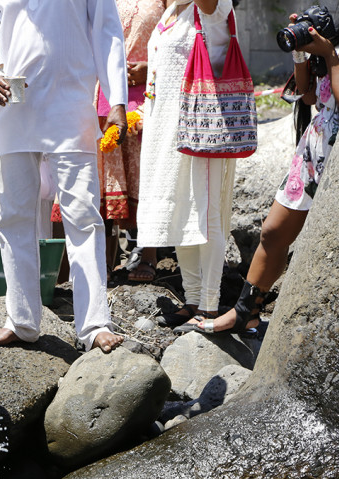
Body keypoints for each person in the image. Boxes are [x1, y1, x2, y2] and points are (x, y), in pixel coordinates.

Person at [199, 0, 339, 334]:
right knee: (273, 233)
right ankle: (246, 311)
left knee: (336, 250)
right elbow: (307, 96)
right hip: (314, 153)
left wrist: (329, 55)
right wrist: (303, 52)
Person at [0, 0, 127, 353]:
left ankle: (94, 323)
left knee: (84, 215)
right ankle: (21, 320)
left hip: (70, 106)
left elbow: (106, 30)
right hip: (13, 106)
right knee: (14, 215)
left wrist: (117, 98)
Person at [135, 0, 238, 332]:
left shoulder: (212, 6)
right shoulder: (173, 9)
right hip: (167, 130)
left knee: (205, 212)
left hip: (202, 125)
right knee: (180, 210)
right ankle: (192, 300)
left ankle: (209, 305)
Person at [102, 0, 166, 282]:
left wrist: (152, 68)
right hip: (103, 92)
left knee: (146, 173)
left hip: (150, 94)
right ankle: (102, 261)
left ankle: (148, 254)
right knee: (105, 178)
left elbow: (184, 41)